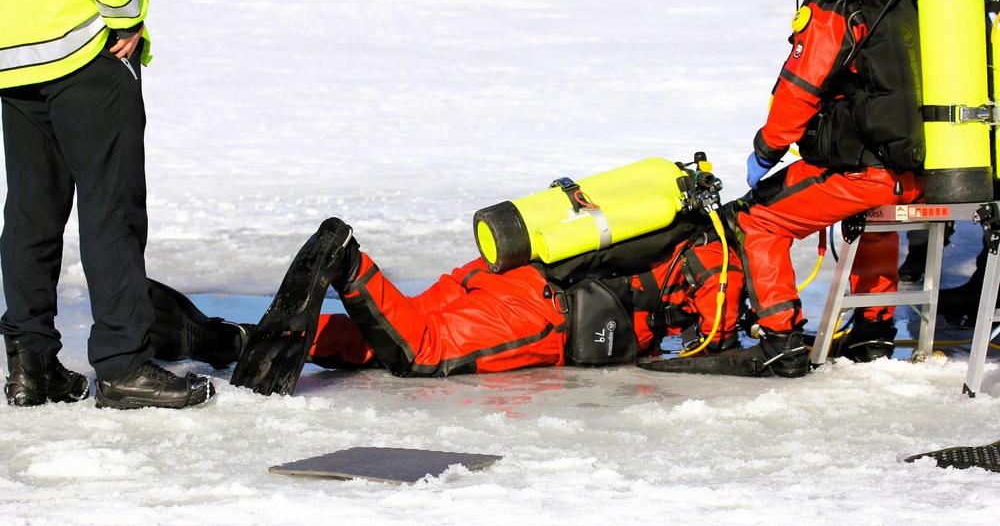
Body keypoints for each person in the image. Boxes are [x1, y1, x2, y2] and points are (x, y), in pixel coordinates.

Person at [656, 0, 927, 377]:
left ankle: (780, 343)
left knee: (759, 222)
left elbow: (801, 84)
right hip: (921, 171)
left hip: (865, 172)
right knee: (875, 221)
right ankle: (872, 334)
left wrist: (768, 147)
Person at [149, 214, 746, 393]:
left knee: (395, 328)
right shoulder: (722, 254)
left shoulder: (676, 216)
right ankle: (349, 263)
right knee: (421, 351)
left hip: (501, 272)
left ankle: (239, 341)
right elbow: (714, 335)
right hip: (543, 311)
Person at [1, 0, 213, 409]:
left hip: (12, 48)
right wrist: (126, 11)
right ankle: (123, 366)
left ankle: (30, 366)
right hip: (83, 44)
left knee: (30, 208)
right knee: (111, 205)